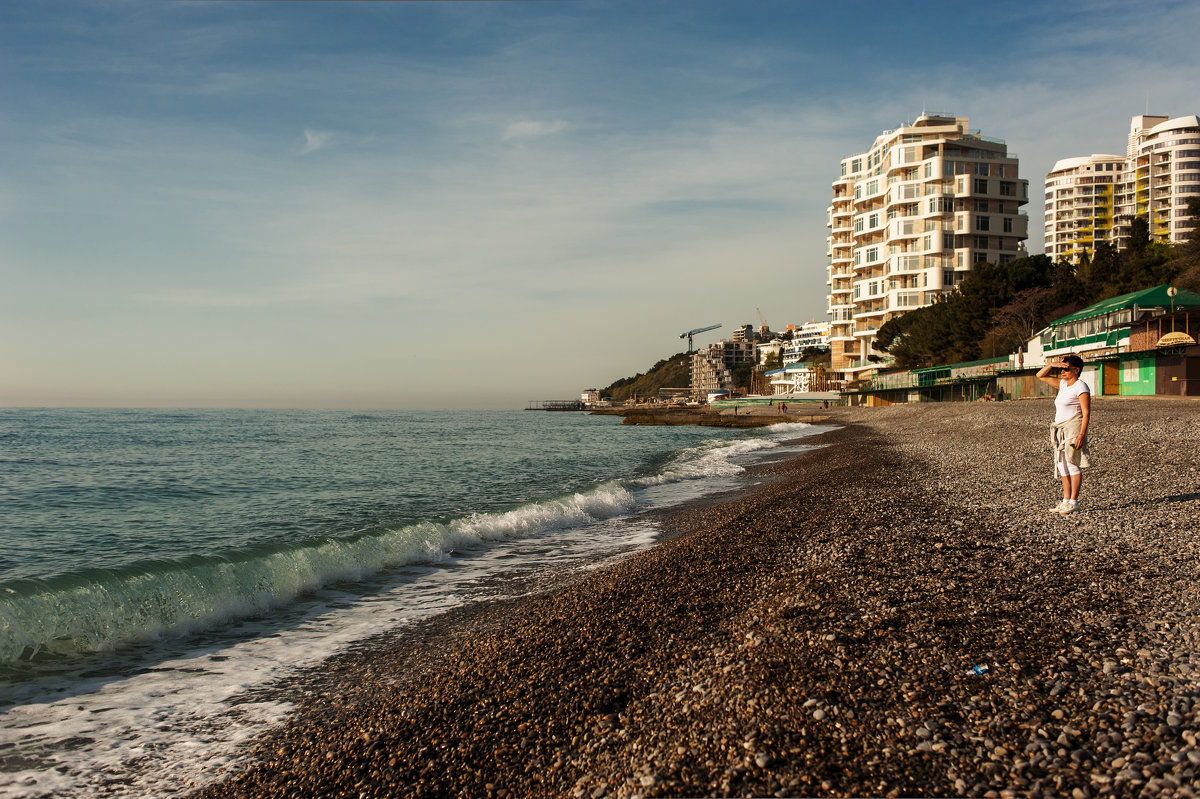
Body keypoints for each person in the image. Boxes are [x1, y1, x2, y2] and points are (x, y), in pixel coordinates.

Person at [1036, 354, 1091, 514]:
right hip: (1060, 429)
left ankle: (1074, 501)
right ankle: (1065, 500)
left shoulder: (1081, 387)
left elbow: (1086, 413)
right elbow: (1040, 375)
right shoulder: (1063, 384)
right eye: (1062, 368)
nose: (1063, 371)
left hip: (1074, 429)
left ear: (1076, 370)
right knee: (1061, 465)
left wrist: (1082, 435)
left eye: (1066, 369)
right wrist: (1053, 364)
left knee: (1072, 463)